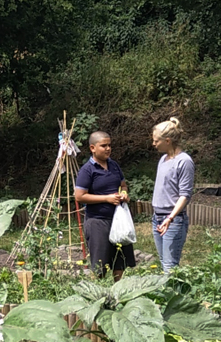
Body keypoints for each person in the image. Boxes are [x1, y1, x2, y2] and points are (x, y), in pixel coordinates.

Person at [75, 131, 136, 280]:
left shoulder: (114, 165)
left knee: (120, 261)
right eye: (103, 146)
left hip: (118, 220)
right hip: (97, 221)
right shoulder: (87, 170)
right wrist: (106, 199)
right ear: (92, 148)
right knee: (100, 265)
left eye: (109, 145)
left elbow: (123, 185)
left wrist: (124, 194)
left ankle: (119, 294)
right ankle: (100, 297)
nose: (108, 148)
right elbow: (79, 196)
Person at [151, 117, 195, 273]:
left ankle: (175, 296)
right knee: (164, 263)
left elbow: (185, 195)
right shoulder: (163, 159)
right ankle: (168, 296)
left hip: (173, 220)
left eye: (156, 141)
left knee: (170, 267)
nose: (154, 144)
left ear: (167, 141)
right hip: (157, 218)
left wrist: (170, 218)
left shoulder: (184, 161)